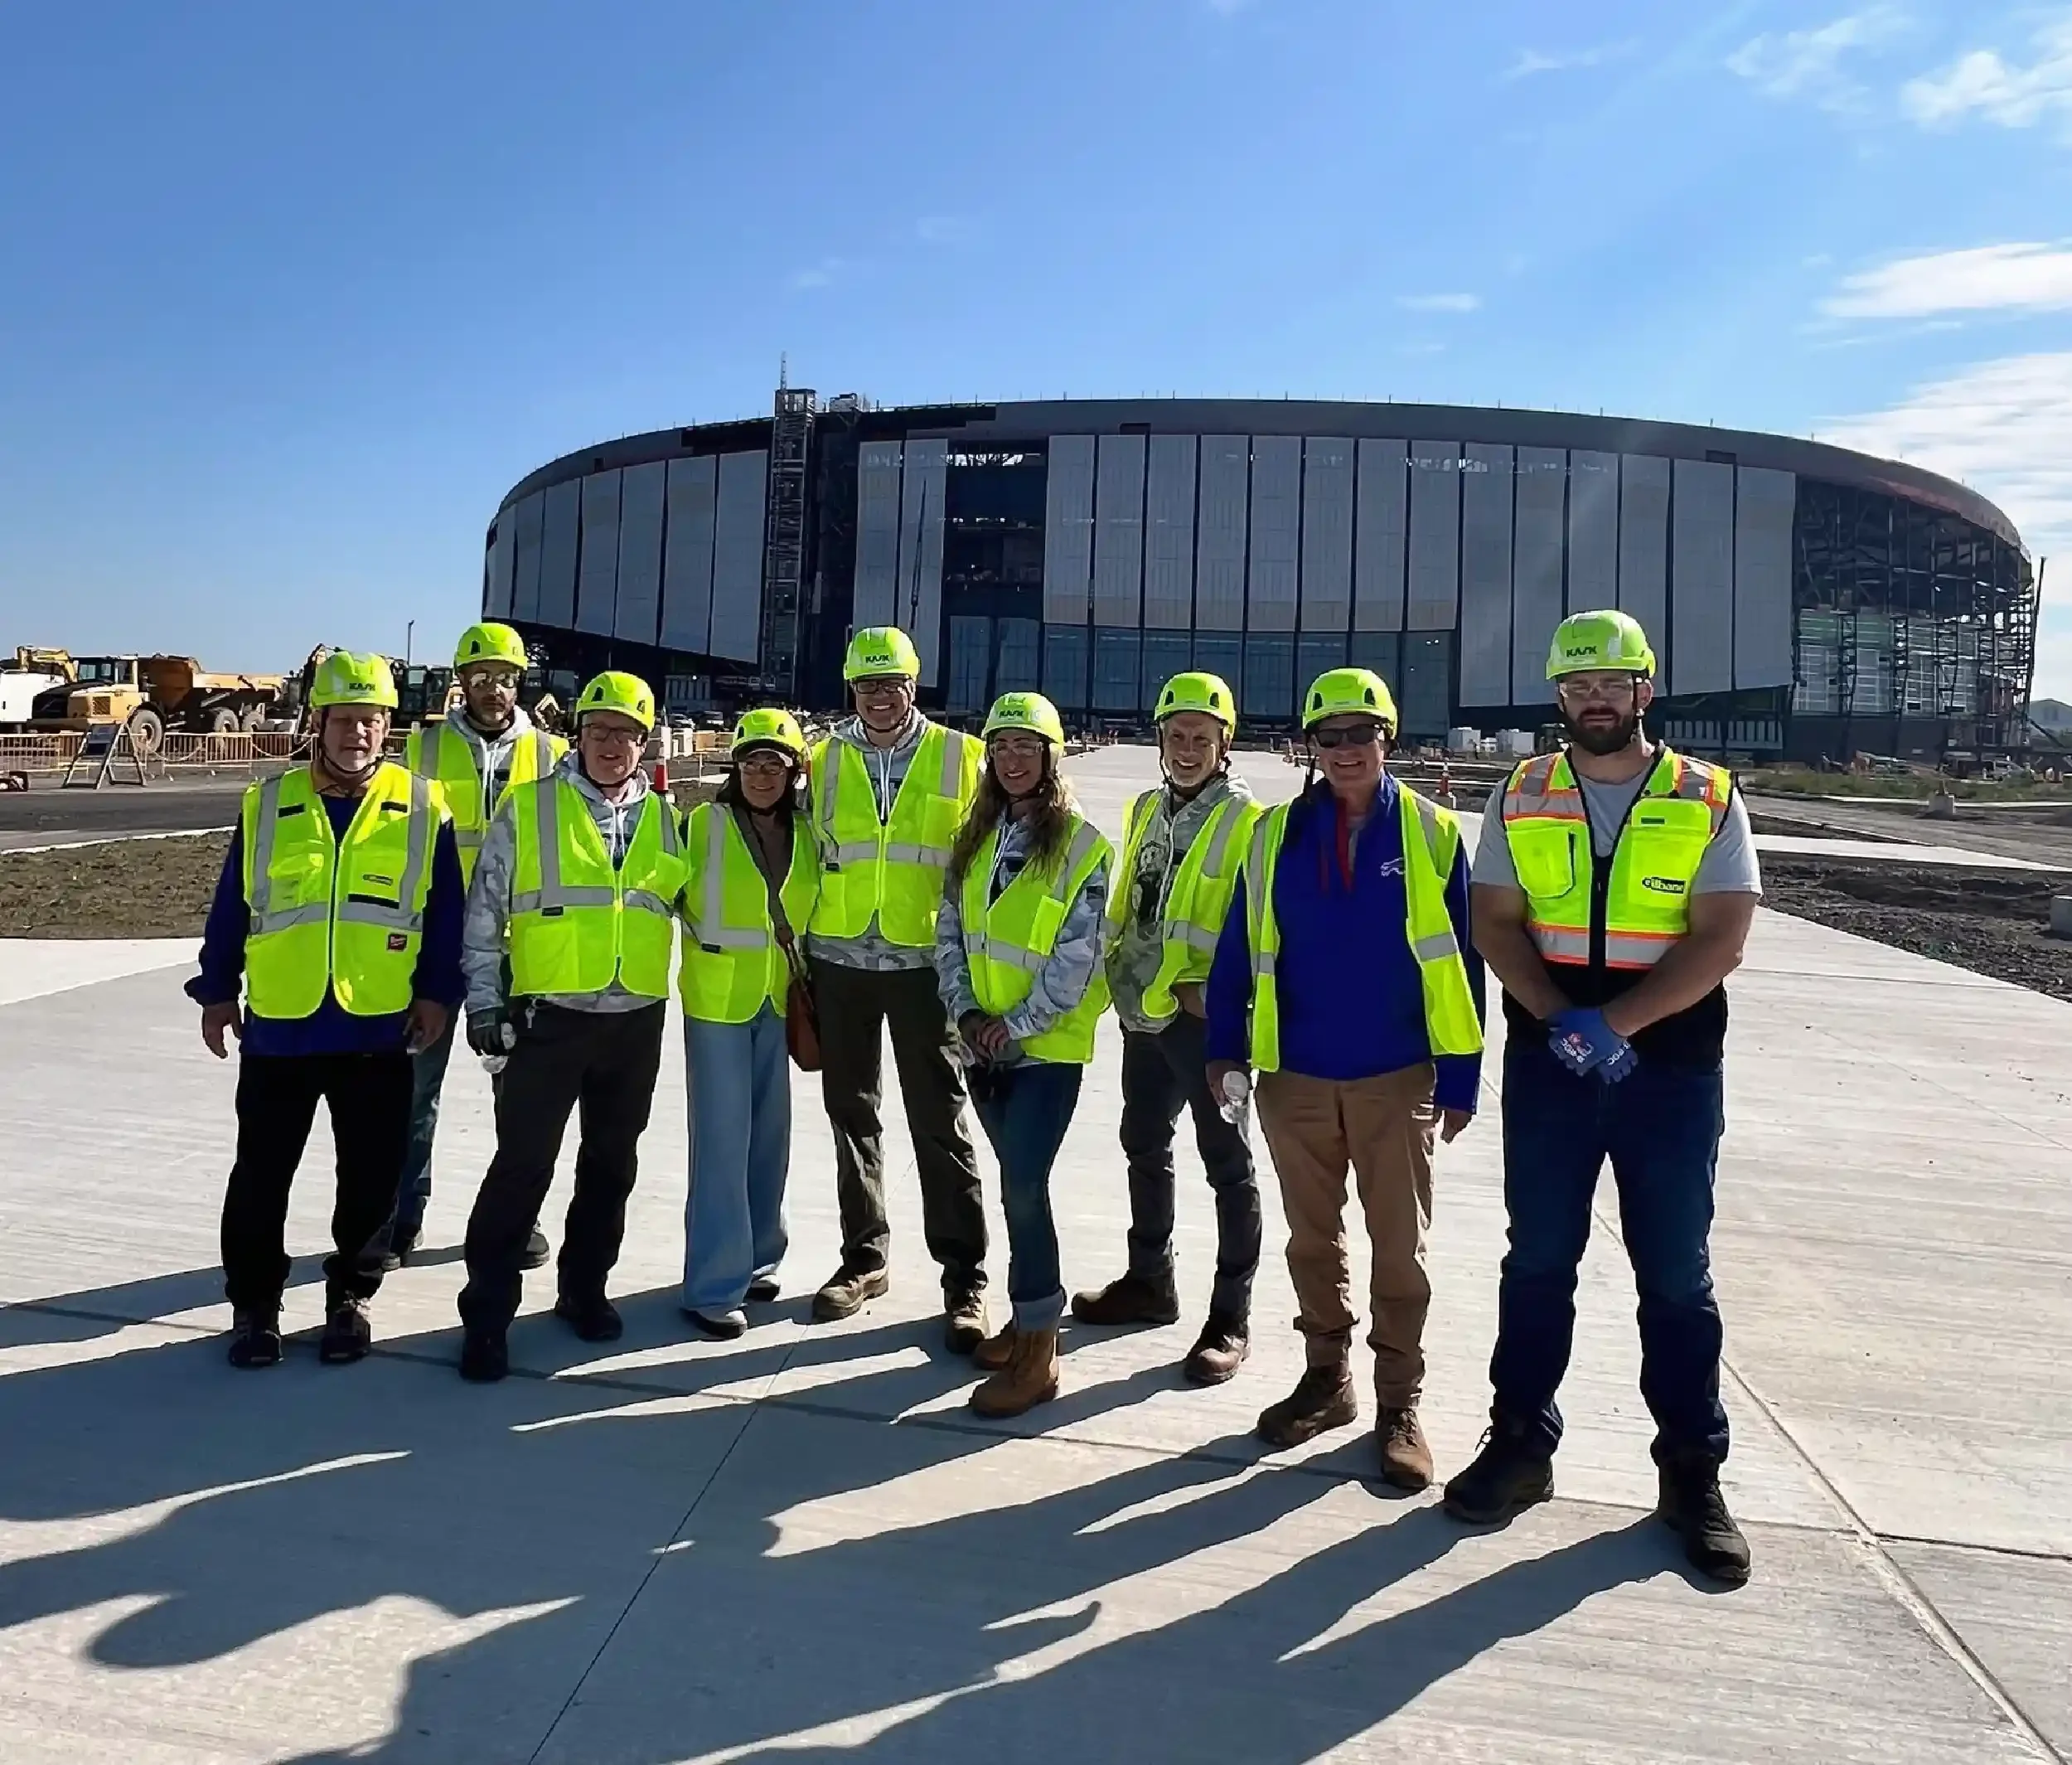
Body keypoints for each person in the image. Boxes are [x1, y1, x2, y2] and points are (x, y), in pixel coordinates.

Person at [1444, 609, 1760, 1586]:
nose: (1593, 699)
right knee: (1537, 1258)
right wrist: (1553, 1014)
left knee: (1674, 1273)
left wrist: (1614, 1023)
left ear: (1644, 691)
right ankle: (1519, 1447)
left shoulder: (1706, 796)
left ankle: (1690, 1476)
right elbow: (1494, 919)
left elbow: (1720, 936)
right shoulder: (1523, 790)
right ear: (1558, 695)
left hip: (1667, 1072)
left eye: (1611, 683)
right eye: (1577, 685)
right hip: (1550, 1064)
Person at [1206, 667, 1484, 1491]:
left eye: (1361, 734)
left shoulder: (1431, 833)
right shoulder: (1270, 835)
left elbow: (1462, 962)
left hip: (1395, 1076)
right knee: (1311, 1240)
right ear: (1308, 747)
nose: (1346, 750)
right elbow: (1235, 947)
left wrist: (1463, 1077)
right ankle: (1327, 1379)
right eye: (1329, 737)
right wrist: (1225, 1049)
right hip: (1292, 1074)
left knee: (1399, 1249)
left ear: (1386, 738)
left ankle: (1400, 1400)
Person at [190, 652, 464, 1369]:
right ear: (319, 723)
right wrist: (218, 989)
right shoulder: (268, 803)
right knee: (260, 1176)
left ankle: (351, 1297)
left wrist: (437, 994)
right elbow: (232, 906)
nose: (358, 733)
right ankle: (255, 1306)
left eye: (371, 720)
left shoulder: (424, 805)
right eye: (344, 719)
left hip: (378, 1024)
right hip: (282, 1025)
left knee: (371, 1177)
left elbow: (445, 917)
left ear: (387, 727)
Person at [453, 670, 685, 1382]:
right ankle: (487, 1316)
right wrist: (484, 1003)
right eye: (600, 730)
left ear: (646, 743)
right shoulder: (530, 809)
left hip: (633, 1022)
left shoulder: (669, 818)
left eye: (627, 733)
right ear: (577, 734)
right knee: (521, 1170)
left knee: (611, 1168)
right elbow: (485, 916)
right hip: (547, 1019)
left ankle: (584, 1290)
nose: (613, 745)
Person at [1072, 671, 1262, 1384]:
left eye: (1201, 739)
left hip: (1208, 1023)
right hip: (1143, 1012)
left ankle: (1230, 1318)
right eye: (1176, 736)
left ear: (1225, 744)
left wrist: (1221, 999)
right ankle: (1151, 1279)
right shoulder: (1149, 806)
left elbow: (1260, 925)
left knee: (1229, 1165)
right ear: (1160, 739)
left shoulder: (1247, 820)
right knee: (1144, 1143)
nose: (1187, 749)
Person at [806, 626, 990, 1353]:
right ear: (850, 690)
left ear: (915, 687)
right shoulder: (821, 759)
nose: (879, 698)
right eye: (866, 686)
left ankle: (965, 1277)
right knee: (852, 1115)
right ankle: (865, 1258)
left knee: (939, 1120)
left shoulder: (961, 756)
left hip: (925, 965)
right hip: (840, 958)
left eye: (892, 685)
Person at [937, 691, 1111, 1417]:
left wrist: (1015, 1025)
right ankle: (1027, 1315)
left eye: (1026, 747)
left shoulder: (1081, 844)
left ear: (1051, 757)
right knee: (1017, 1186)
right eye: (1002, 746)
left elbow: (1079, 955)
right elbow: (949, 932)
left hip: (1043, 1051)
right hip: (984, 1049)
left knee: (1024, 1187)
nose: (1012, 759)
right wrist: (968, 1013)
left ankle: (1039, 1353)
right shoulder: (974, 838)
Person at [382, 621, 565, 1271]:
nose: (494, 689)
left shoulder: (552, 755)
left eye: (506, 677)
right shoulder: (421, 749)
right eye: (481, 676)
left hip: (517, 949)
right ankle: (398, 1219)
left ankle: (519, 1218)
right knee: (409, 1089)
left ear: (521, 682)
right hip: (433, 945)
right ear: (461, 681)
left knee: (520, 1096)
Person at [677, 707, 818, 1338]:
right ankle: (712, 1284)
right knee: (722, 1141)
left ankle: (761, 1255)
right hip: (717, 1002)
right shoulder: (700, 824)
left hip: (777, 999)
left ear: (794, 772)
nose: (763, 773)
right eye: (752, 761)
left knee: (769, 1137)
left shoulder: (810, 834)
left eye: (776, 762)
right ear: (735, 768)